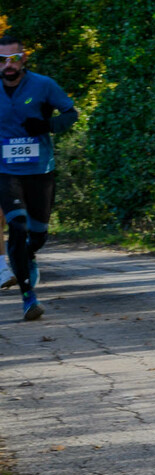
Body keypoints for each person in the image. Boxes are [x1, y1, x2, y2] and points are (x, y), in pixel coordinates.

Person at [0, 36, 78, 321]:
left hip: (40, 171)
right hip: (6, 171)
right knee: (17, 226)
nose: (8, 65)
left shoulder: (43, 85)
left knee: (38, 234)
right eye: (2, 60)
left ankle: (28, 254)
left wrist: (47, 125)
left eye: (14, 58)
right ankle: (28, 297)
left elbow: (71, 114)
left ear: (24, 59)